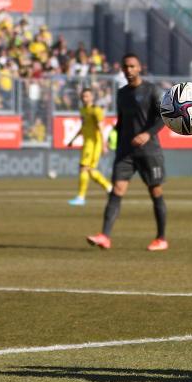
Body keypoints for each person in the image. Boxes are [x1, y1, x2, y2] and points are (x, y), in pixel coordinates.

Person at [86, 53, 168, 251]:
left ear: (139, 68)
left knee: (155, 192)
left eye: (132, 66)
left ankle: (161, 238)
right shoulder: (122, 94)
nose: (129, 70)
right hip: (126, 152)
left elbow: (164, 118)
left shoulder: (152, 90)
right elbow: (121, 121)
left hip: (149, 151)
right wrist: (110, 137)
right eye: (126, 67)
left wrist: (147, 134)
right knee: (116, 190)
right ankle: (105, 236)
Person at [67, 87, 112, 205]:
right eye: (83, 96)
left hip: (94, 144)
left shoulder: (96, 110)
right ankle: (109, 187)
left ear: (92, 97)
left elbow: (101, 128)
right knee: (90, 170)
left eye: (87, 96)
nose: (84, 98)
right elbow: (84, 127)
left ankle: (81, 197)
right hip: (86, 143)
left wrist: (104, 144)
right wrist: (73, 139)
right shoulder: (83, 110)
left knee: (83, 168)